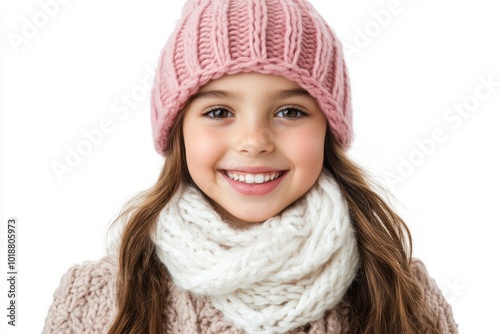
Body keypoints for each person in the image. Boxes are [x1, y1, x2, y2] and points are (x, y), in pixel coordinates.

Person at [42, 0, 458, 333]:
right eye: (220, 111)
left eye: (291, 112)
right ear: (177, 130)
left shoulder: (403, 295)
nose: (254, 142)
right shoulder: (100, 298)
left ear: (329, 130)